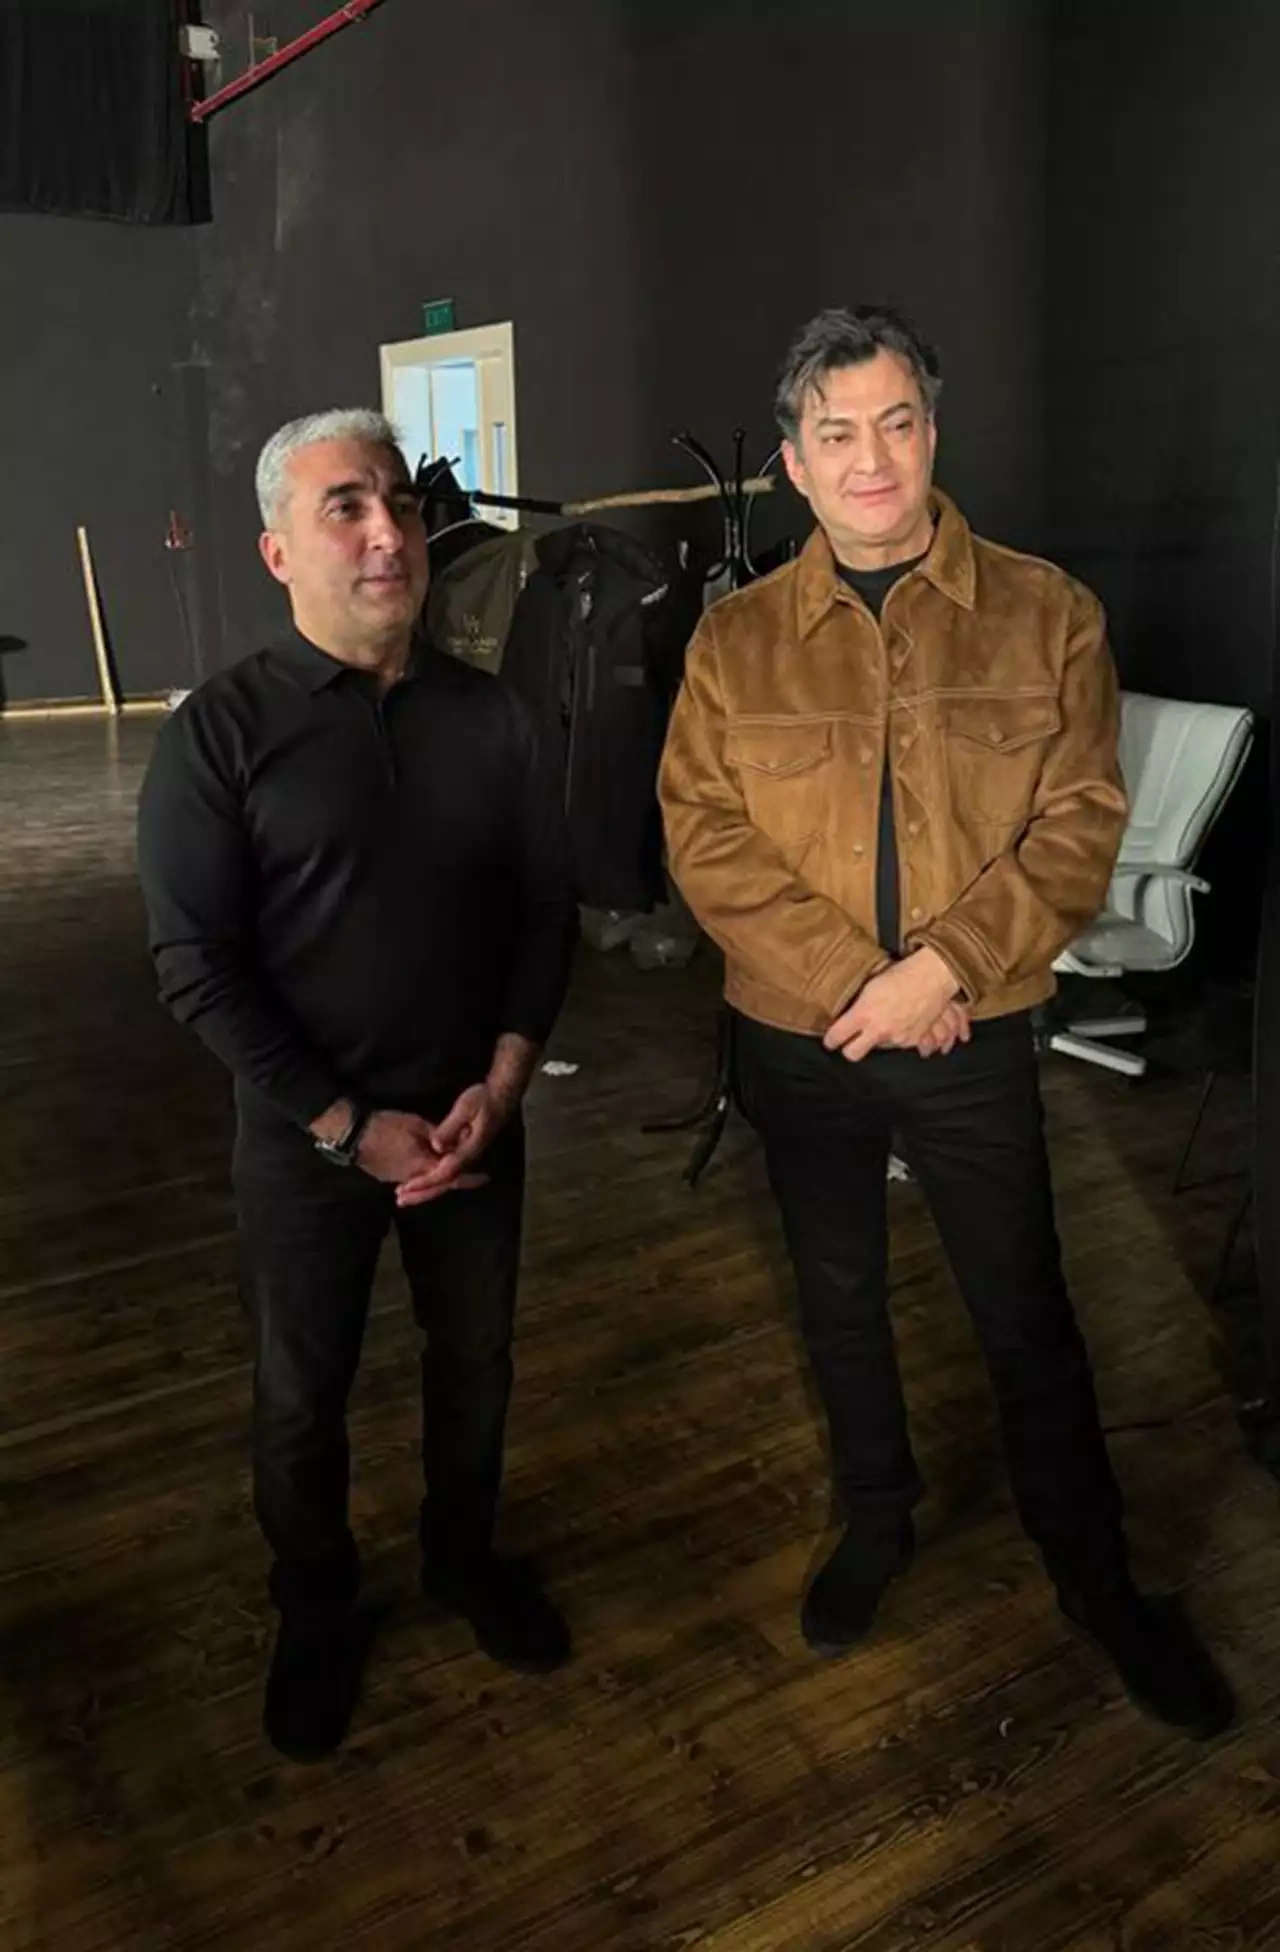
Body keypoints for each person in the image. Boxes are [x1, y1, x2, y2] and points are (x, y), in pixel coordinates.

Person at [659, 308, 1234, 1738]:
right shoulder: (732, 641)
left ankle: (1097, 1578)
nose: (872, 460)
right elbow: (703, 834)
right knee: (838, 1295)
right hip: (799, 1038)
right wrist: (854, 983)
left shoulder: (1049, 614)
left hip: (973, 1036)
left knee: (1025, 1307)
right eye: (837, 434)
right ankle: (878, 1518)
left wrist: (945, 972)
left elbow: (1080, 822)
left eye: (896, 423)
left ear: (933, 431)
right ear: (795, 462)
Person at [137, 409, 578, 1761]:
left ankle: (462, 1557)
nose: (388, 532)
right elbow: (196, 969)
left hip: (469, 1125)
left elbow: (544, 913)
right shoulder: (220, 736)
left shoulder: (493, 717)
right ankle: (317, 1606)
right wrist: (343, 1126)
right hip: (305, 1142)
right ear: (278, 551)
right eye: (346, 507)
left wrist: (503, 1081)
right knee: (300, 1391)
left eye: (399, 501)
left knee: (477, 1362)